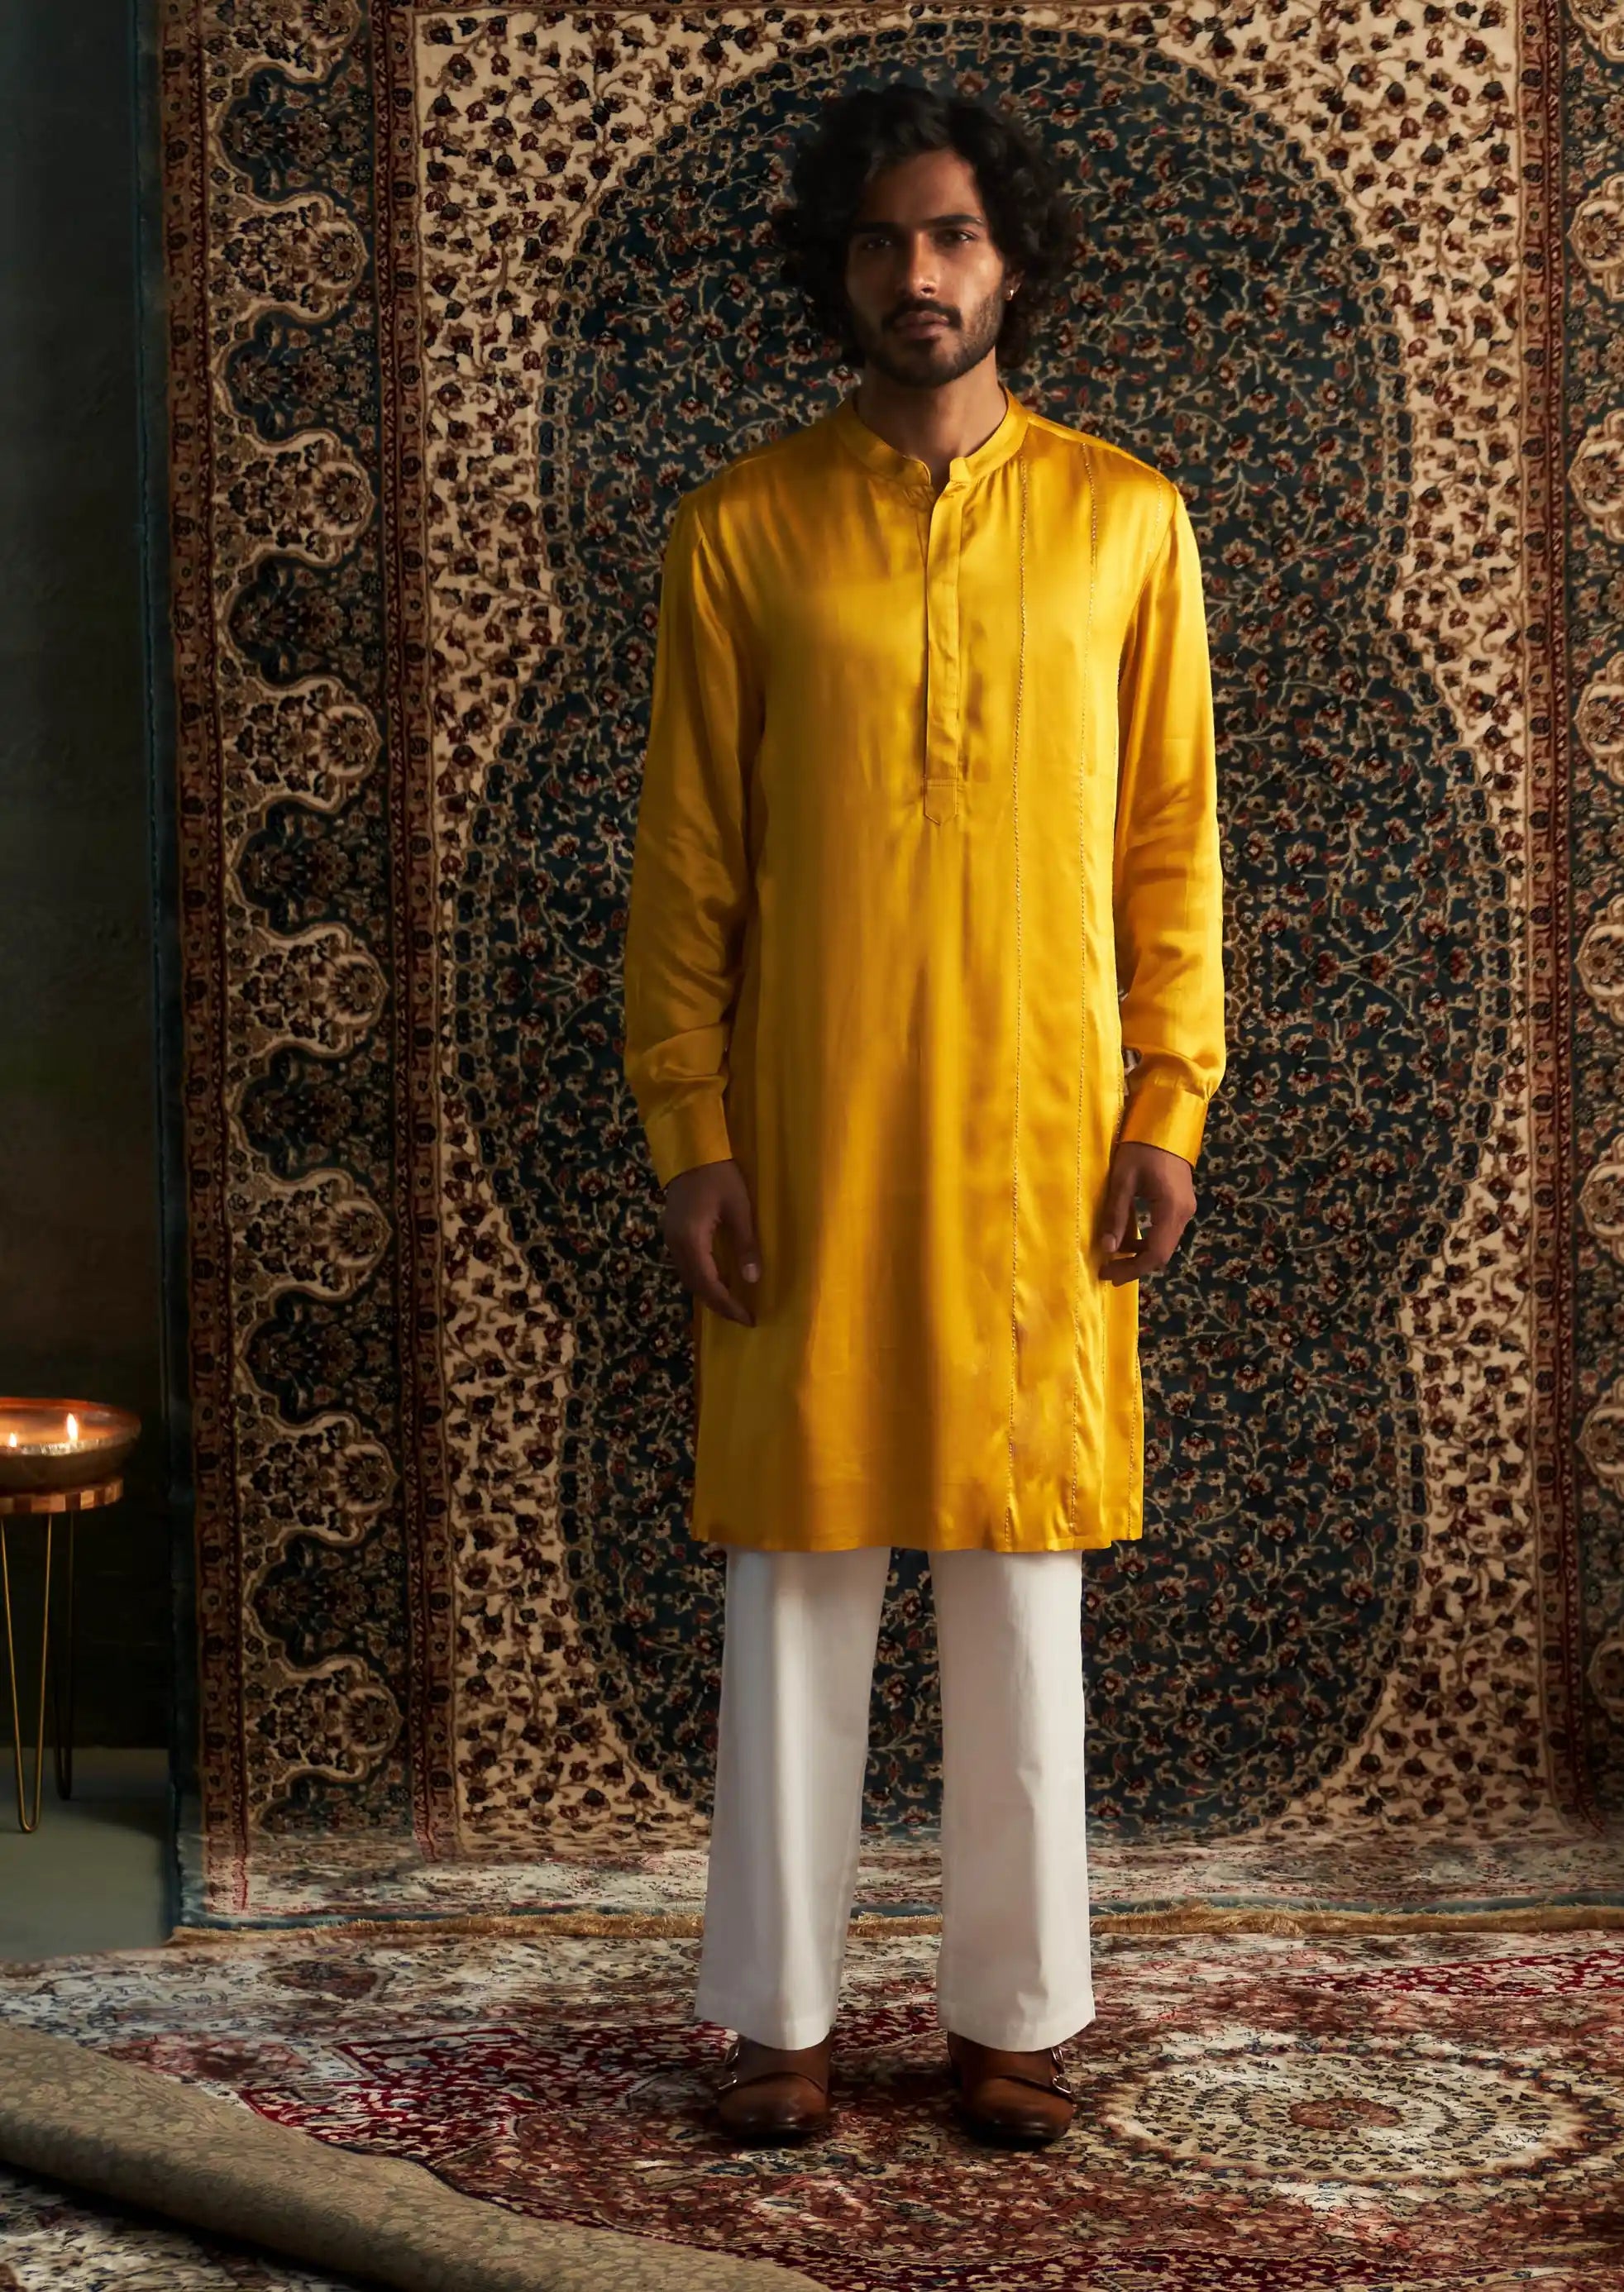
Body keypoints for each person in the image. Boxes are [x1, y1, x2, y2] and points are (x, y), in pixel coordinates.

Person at [622, 77, 1225, 2147]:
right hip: (807, 1125)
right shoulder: (743, 528)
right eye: (883, 237)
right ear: (841, 267)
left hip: (1043, 1131)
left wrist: (1168, 1100)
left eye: (954, 233)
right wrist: (692, 1130)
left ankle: (1013, 2016)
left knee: (1018, 1574)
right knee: (798, 1573)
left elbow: (1170, 842)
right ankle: (777, 2016)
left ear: (1014, 262)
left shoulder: (1126, 522)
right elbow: (688, 864)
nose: (919, 271)